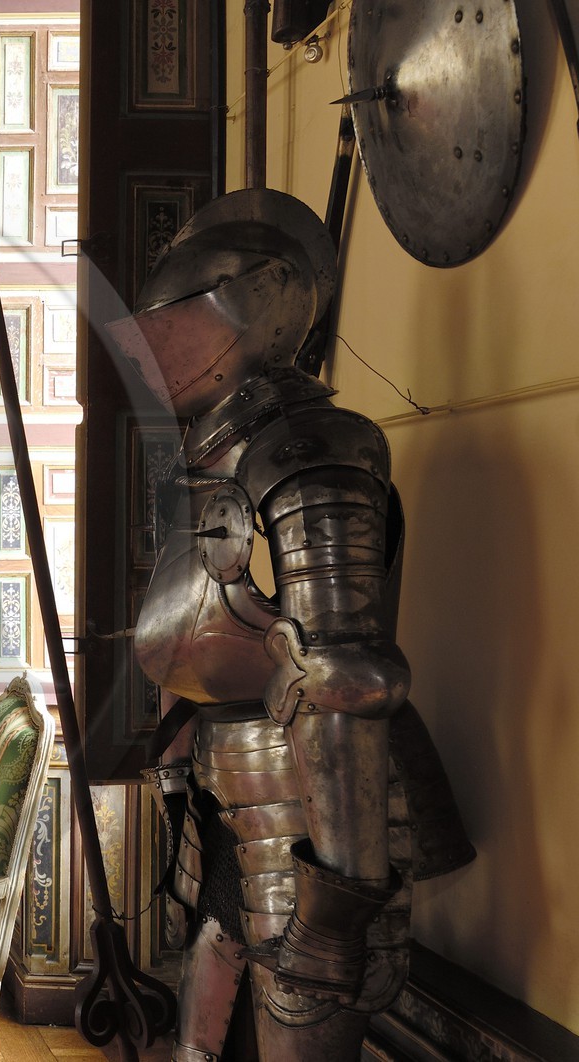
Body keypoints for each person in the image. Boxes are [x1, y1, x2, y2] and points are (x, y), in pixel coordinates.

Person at [104, 188, 473, 1062]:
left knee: (302, 1019)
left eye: (171, 318)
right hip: (241, 798)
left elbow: (343, 678)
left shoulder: (309, 453)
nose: (149, 345)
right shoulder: (224, 459)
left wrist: (337, 906)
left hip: (310, 822)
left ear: (247, 307)